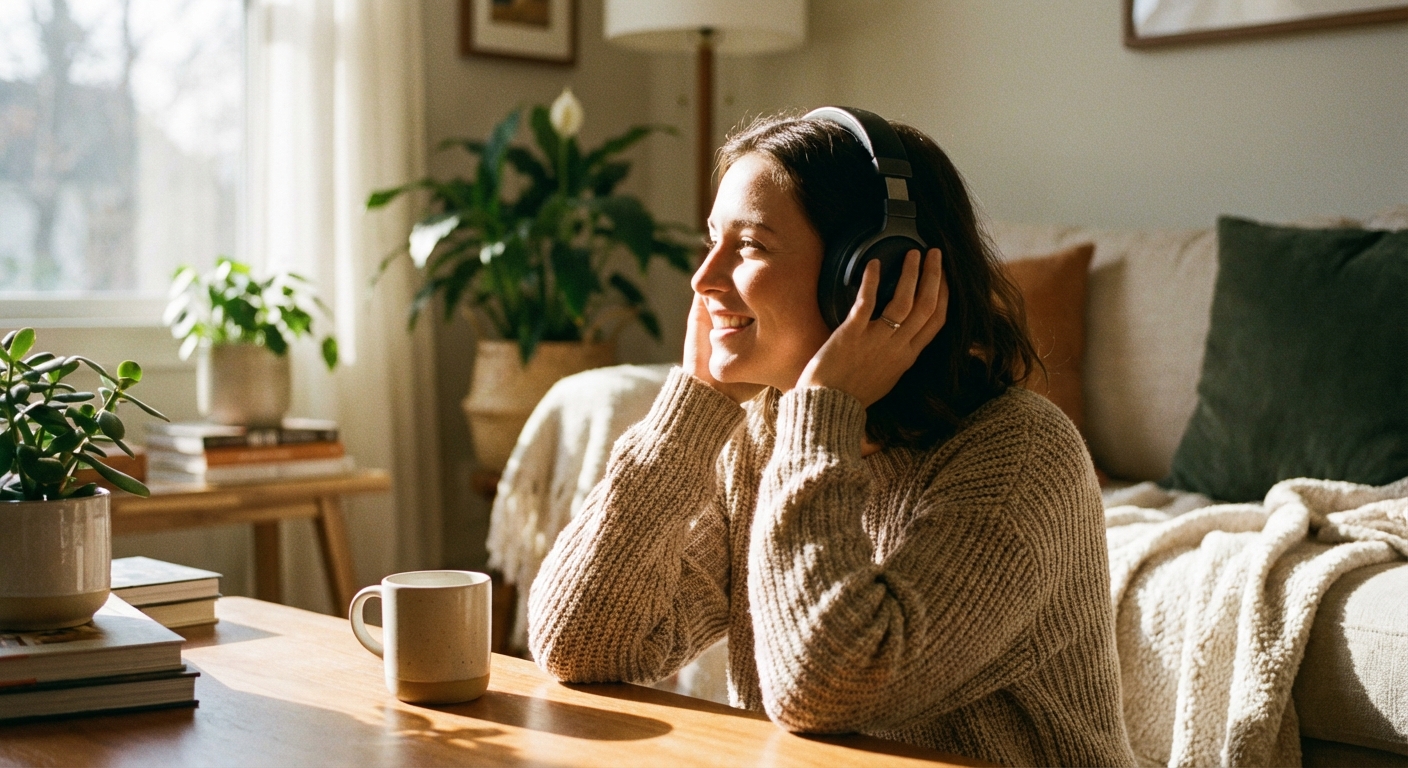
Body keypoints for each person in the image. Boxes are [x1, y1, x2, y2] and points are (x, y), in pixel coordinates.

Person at [526, 110, 1135, 767]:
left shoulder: (1020, 457)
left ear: (870, 272)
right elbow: (579, 642)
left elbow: (823, 690)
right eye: (712, 241)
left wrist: (824, 414)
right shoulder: (766, 433)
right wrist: (692, 413)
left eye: (752, 245)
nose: (702, 280)